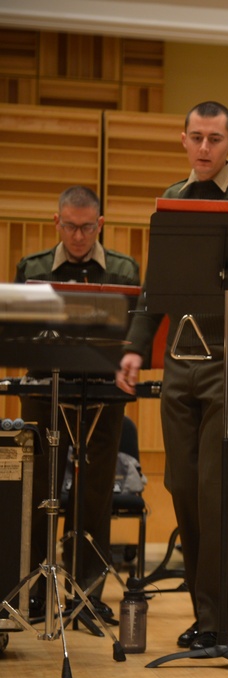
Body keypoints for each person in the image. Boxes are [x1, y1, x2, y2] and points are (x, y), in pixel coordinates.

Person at [116, 101, 228, 651]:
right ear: (183, 140)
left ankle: (219, 618)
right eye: (195, 138)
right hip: (180, 360)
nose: (204, 148)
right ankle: (209, 609)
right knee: (181, 485)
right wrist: (134, 348)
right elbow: (157, 283)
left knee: (216, 489)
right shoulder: (174, 199)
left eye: (215, 139)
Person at [16, 185, 141, 619]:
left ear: (100, 224)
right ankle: (29, 593)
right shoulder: (31, 267)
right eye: (70, 226)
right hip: (44, 391)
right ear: (57, 222)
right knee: (36, 492)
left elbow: (131, 336)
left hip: (102, 394)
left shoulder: (124, 271)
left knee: (94, 495)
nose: (79, 236)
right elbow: (19, 336)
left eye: (88, 227)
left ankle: (85, 598)